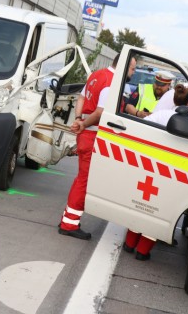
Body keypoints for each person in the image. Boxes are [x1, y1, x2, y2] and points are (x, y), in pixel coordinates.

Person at [58, 54, 137, 240]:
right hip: (93, 135)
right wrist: (84, 124)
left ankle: (68, 220)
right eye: (133, 68)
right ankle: (69, 224)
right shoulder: (112, 83)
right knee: (84, 180)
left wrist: (79, 119)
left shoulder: (97, 75)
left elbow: (81, 98)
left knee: (82, 178)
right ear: (124, 66)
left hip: (86, 133)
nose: (134, 72)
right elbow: (100, 112)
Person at [123, 84, 188, 260]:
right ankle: (143, 252)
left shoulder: (161, 115)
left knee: (140, 205)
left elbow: (142, 130)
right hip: (169, 173)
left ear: (174, 99)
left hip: (149, 166)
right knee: (158, 211)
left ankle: (129, 244)